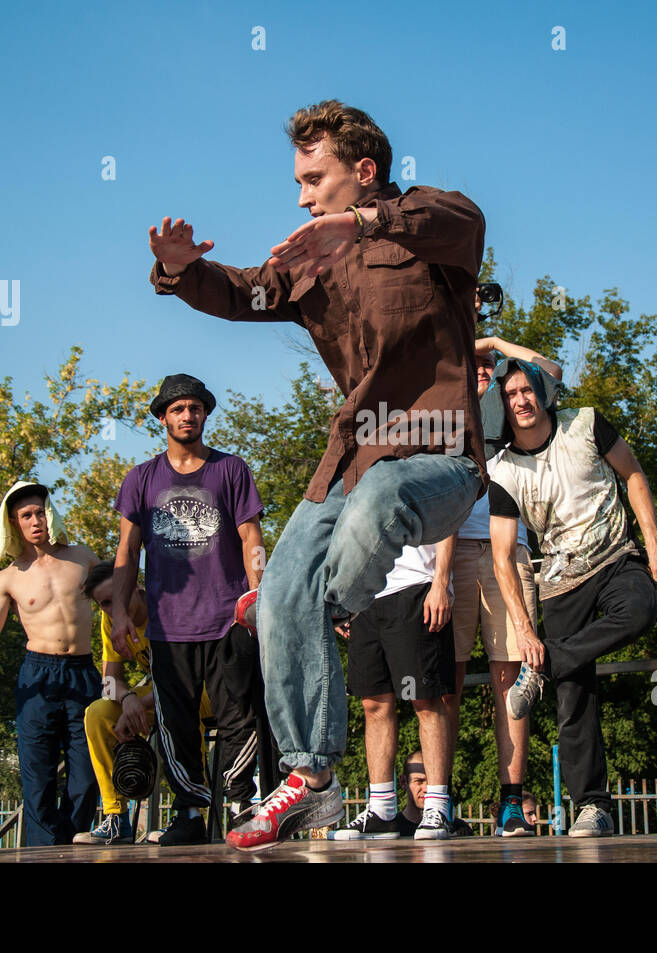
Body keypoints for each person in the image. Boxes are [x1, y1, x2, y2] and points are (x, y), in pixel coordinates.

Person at [146, 100, 487, 851]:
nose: (302, 197)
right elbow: (244, 291)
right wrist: (181, 272)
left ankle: (316, 605)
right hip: (350, 459)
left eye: (314, 179)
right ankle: (312, 778)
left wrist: (365, 225)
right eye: (298, 182)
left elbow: (464, 220)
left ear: (362, 172)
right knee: (282, 579)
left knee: (375, 509)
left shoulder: (428, 221)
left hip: (438, 456)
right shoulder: (309, 261)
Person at [487, 359, 657, 837]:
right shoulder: (503, 471)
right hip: (561, 579)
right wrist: (525, 631)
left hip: (614, 557)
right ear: (501, 406)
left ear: (543, 393)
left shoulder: (585, 423)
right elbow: (503, 558)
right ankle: (592, 805)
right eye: (510, 395)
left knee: (642, 609)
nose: (521, 400)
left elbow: (632, 474)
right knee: (573, 699)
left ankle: (547, 662)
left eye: (527, 390)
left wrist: (651, 539)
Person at [109, 375, 266, 846]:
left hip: (228, 619)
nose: (187, 415)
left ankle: (241, 805)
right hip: (167, 625)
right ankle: (190, 811)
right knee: (176, 721)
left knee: (239, 714)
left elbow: (251, 538)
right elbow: (125, 551)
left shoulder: (231, 470)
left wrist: (258, 599)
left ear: (204, 415)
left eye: (195, 408)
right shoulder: (141, 478)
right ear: (163, 418)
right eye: (177, 409)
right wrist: (119, 612)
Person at [447, 332, 561, 837]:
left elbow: (552, 372)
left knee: (510, 683)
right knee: (442, 688)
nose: (483, 372)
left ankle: (511, 801)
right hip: (447, 561)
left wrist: (495, 343)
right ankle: (439, 801)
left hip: (508, 557)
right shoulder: (443, 416)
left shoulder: (512, 416)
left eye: (489, 368)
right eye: (473, 366)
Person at [0, 481, 101, 846]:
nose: (35, 520)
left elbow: (118, 603)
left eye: (39, 512)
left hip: (83, 671)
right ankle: (41, 851)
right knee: (37, 775)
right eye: (26, 515)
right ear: (14, 523)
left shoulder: (82, 558)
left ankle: (75, 844)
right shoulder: (7, 578)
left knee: (86, 774)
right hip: (37, 676)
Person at [75, 559, 216, 845]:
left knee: (175, 706)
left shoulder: (166, 603)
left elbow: (190, 676)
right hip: (160, 693)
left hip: (205, 689)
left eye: (117, 597)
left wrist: (144, 701)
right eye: (104, 603)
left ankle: (190, 813)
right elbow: (108, 681)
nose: (113, 608)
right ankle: (116, 818)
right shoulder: (111, 621)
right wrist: (127, 698)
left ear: (135, 586)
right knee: (98, 713)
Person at [329, 542, 458, 840]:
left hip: (415, 586)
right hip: (364, 596)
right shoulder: (347, 489)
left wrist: (440, 582)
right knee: (373, 704)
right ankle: (383, 810)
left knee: (425, 700)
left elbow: (447, 520)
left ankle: (437, 808)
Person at [393, 750, 473, 838]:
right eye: (419, 781)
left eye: (432, 783)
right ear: (403, 782)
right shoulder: (393, 829)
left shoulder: (459, 829)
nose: (427, 789)